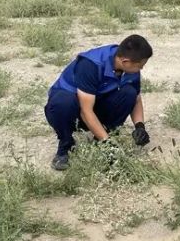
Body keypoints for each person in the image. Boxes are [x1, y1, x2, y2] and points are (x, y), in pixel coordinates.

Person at [44, 34, 153, 171]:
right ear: (125, 61)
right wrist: (108, 143)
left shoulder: (129, 66)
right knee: (63, 102)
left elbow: (136, 99)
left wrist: (140, 126)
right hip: (72, 110)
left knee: (129, 92)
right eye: (140, 66)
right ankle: (66, 145)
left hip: (95, 103)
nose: (141, 69)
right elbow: (85, 111)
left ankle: (101, 136)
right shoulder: (91, 65)